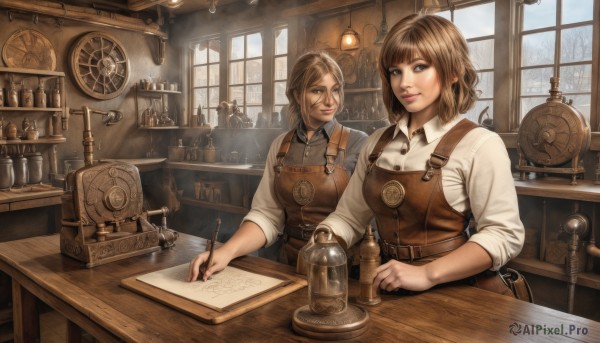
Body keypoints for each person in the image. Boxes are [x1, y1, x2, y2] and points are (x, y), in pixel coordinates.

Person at [317, 13, 524, 295]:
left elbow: (504, 235)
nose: (404, 83)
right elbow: (350, 218)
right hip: (386, 285)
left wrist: (427, 273)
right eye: (395, 71)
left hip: (460, 292)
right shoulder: (375, 144)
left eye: (419, 67)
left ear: (452, 72)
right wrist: (322, 238)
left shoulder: (481, 144)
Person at [189, 51, 368, 282]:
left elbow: (360, 220)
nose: (330, 100)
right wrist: (226, 252)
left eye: (335, 90)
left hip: (341, 269)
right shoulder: (281, 145)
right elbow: (266, 216)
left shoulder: (359, 143)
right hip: (288, 265)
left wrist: (318, 253)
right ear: (296, 93)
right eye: (317, 90)